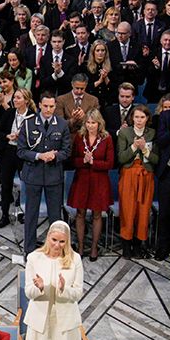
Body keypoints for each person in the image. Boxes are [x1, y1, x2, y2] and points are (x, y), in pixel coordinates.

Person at [15, 94, 71, 251]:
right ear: (39, 105)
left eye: (52, 106)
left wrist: (54, 156)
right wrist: (39, 156)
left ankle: (55, 251)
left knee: (55, 217)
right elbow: (21, 151)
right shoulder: (28, 123)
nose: (48, 109)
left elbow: (66, 151)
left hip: (54, 176)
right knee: (31, 215)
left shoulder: (62, 124)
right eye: (45, 106)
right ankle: (29, 250)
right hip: (33, 175)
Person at [66, 109, 115, 260]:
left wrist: (94, 162)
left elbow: (110, 163)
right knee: (80, 214)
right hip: (82, 179)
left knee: (97, 214)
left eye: (93, 123)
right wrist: (84, 161)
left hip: (99, 181)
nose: (90, 126)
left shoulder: (106, 138)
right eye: (88, 122)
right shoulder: (80, 137)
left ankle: (94, 247)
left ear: (99, 123)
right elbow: (73, 160)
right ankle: (80, 246)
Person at [115, 104, 157, 259]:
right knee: (128, 210)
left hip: (146, 175)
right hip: (129, 174)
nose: (139, 120)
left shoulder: (152, 133)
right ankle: (126, 245)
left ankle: (138, 246)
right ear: (132, 118)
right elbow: (121, 158)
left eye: (142, 117)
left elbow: (156, 159)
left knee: (143, 211)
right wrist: (134, 146)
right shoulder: (125, 133)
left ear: (147, 119)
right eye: (137, 117)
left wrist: (145, 149)